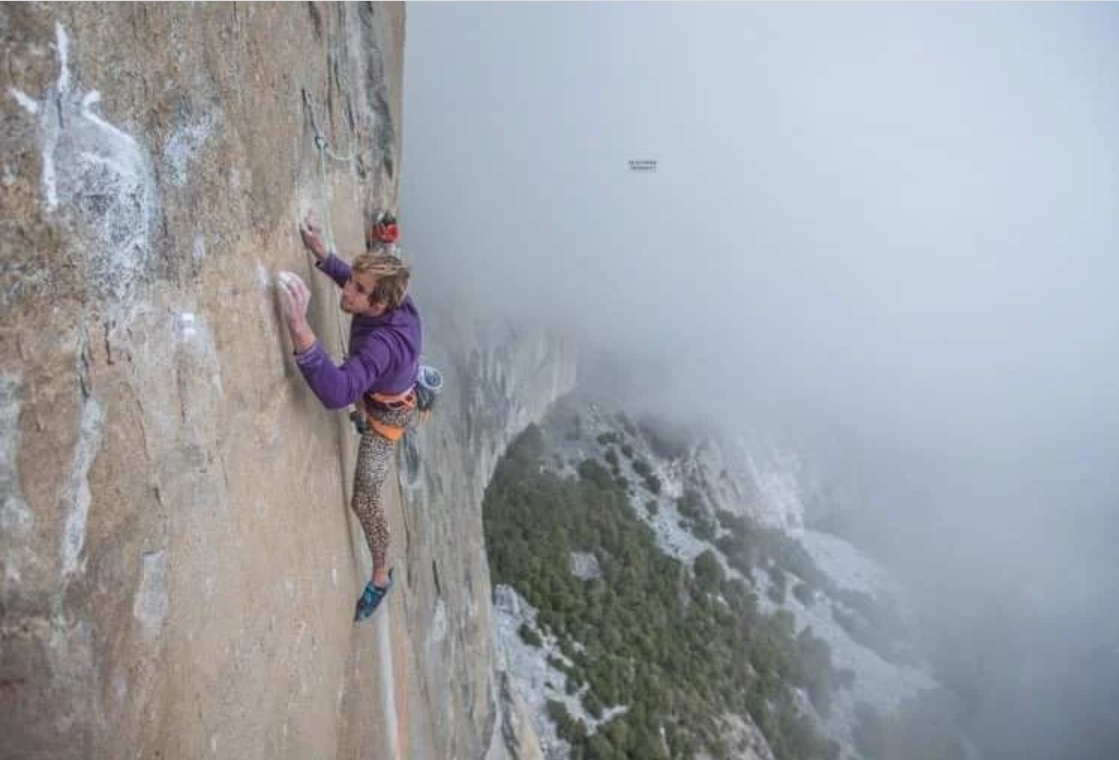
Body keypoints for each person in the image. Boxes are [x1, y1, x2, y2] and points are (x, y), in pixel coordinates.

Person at [277, 212, 422, 621]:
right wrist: (323, 253)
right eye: (352, 281)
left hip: (388, 419)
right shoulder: (389, 300)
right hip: (380, 389)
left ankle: (380, 575)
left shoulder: (382, 346)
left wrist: (299, 326)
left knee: (365, 498)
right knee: (355, 375)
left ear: (379, 304)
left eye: (358, 290)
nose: (349, 292)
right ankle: (364, 412)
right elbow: (360, 283)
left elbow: (338, 392)